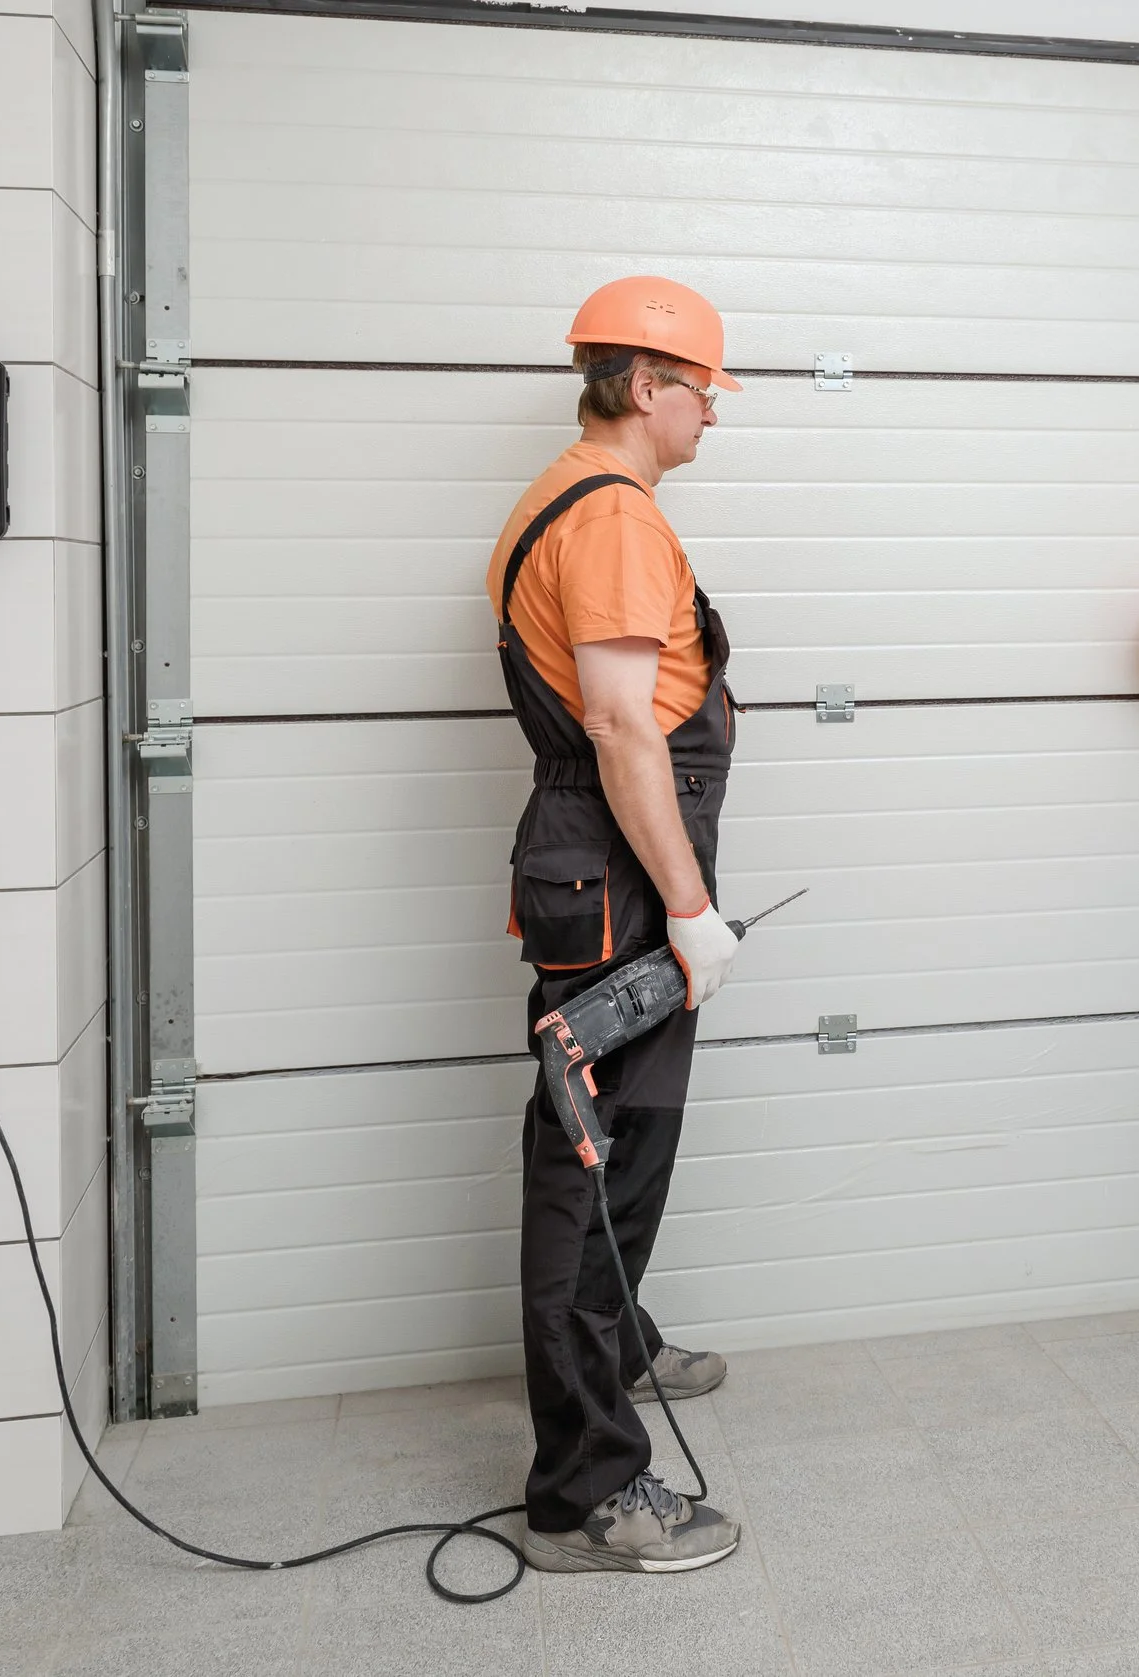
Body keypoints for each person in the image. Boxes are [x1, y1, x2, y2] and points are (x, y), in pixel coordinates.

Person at [487, 276, 746, 1572]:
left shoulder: (576, 497)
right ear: (648, 385)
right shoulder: (614, 517)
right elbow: (622, 724)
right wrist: (689, 913)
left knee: (613, 1143)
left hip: (605, 865)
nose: (713, 414)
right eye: (704, 390)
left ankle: (616, 1344)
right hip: (621, 874)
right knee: (599, 1153)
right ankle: (587, 1483)